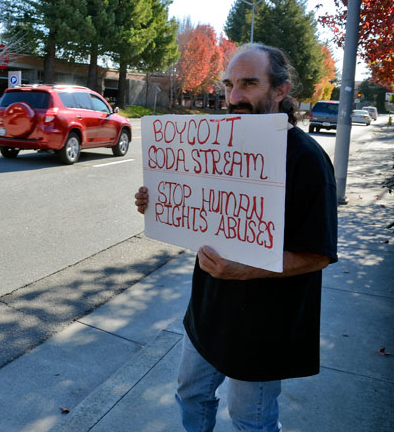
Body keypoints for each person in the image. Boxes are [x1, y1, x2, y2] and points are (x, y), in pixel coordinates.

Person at [134, 43, 338, 431]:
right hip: (207, 310)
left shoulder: (307, 159)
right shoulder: (217, 141)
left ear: (281, 89)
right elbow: (198, 205)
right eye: (229, 85)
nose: (234, 97)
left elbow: (319, 254)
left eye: (248, 84)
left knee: (250, 421)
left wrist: (246, 271)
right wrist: (158, 202)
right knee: (191, 394)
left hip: (262, 324)